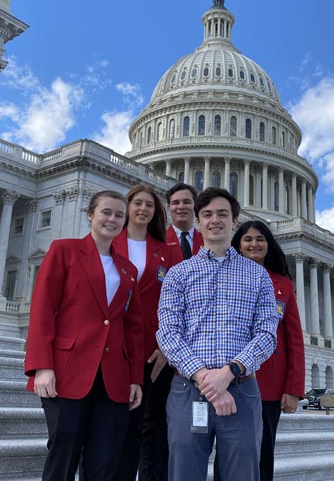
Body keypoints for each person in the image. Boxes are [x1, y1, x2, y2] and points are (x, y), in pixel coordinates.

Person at [156, 187, 279, 481]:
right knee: (184, 473)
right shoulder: (178, 273)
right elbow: (168, 333)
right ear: (197, 222)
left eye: (222, 214)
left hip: (241, 389)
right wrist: (203, 376)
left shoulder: (258, 275)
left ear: (234, 221)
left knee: (243, 474)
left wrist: (228, 372)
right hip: (188, 391)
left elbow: (266, 334)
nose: (215, 220)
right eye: (207, 214)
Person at [24, 190, 144, 481]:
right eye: (106, 212)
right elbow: (42, 309)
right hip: (67, 371)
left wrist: (135, 378)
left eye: (119, 215)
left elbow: (133, 327)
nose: (112, 219)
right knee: (63, 451)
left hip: (113, 376)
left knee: (105, 460)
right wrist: (42, 366)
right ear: (90, 214)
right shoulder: (63, 250)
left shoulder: (128, 269)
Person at [215, 220, 305, 481]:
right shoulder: (224, 275)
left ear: (269, 244)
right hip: (229, 377)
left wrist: (293, 388)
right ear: (238, 245)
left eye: (260, 239)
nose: (254, 244)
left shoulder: (283, 285)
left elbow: (294, 339)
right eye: (248, 239)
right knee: (228, 451)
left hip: (269, 382)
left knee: (263, 451)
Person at [113, 184, 177, 481]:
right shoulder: (109, 242)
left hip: (154, 350)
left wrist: (167, 347)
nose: (142, 209)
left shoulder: (166, 251)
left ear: (156, 212)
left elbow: (179, 301)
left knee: (150, 425)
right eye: (137, 203)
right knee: (111, 423)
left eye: (149, 205)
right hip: (113, 345)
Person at [166, 182, 203, 260]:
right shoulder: (159, 241)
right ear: (169, 208)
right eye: (176, 203)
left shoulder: (206, 242)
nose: (181, 207)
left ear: (195, 206)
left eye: (186, 202)